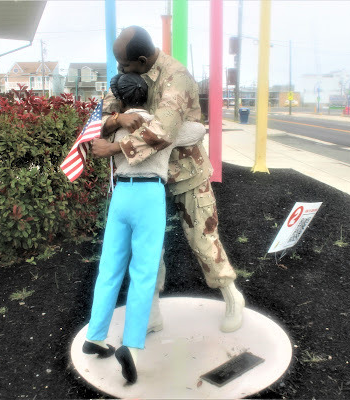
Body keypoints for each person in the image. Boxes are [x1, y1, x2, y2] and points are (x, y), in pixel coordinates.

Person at [92, 25, 245, 336]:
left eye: (125, 65)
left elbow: (163, 132)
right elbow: (103, 114)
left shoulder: (177, 78)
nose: (120, 70)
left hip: (186, 171)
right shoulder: (128, 73)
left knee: (203, 238)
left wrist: (115, 146)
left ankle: (232, 297)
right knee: (147, 248)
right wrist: (116, 119)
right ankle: (151, 313)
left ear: (144, 59)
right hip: (146, 177)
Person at [84, 72, 206, 384]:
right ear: (148, 95)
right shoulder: (160, 126)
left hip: (121, 194)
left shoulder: (116, 124)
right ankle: (132, 347)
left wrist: (116, 118)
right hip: (150, 196)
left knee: (110, 266)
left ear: (122, 98)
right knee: (143, 272)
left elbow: (90, 136)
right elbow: (197, 131)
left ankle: (95, 336)